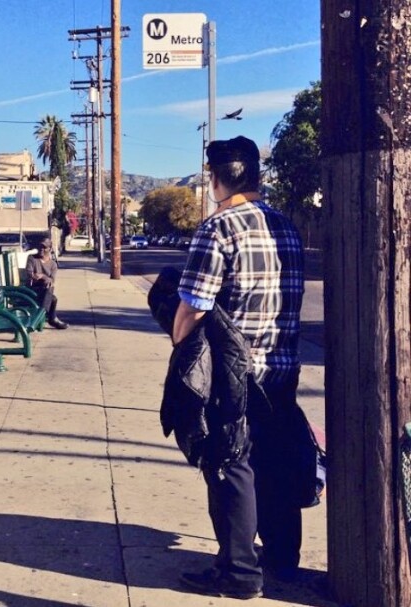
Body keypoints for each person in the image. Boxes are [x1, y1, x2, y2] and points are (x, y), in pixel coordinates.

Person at [172, 136, 304, 599]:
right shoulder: (286, 227)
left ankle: (240, 573)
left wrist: (180, 350)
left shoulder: (220, 228)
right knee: (275, 461)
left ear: (216, 177)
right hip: (283, 367)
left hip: (235, 373)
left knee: (231, 465)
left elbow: (194, 307)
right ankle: (284, 560)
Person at [25, 238, 69, 329]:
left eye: (44, 247)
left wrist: (42, 276)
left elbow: (52, 280)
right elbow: (29, 273)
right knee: (53, 298)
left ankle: (43, 315)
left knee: (50, 290)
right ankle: (51, 318)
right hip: (32, 289)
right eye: (40, 247)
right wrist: (43, 278)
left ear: (49, 249)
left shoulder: (53, 264)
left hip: (45, 290)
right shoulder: (32, 258)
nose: (42, 249)